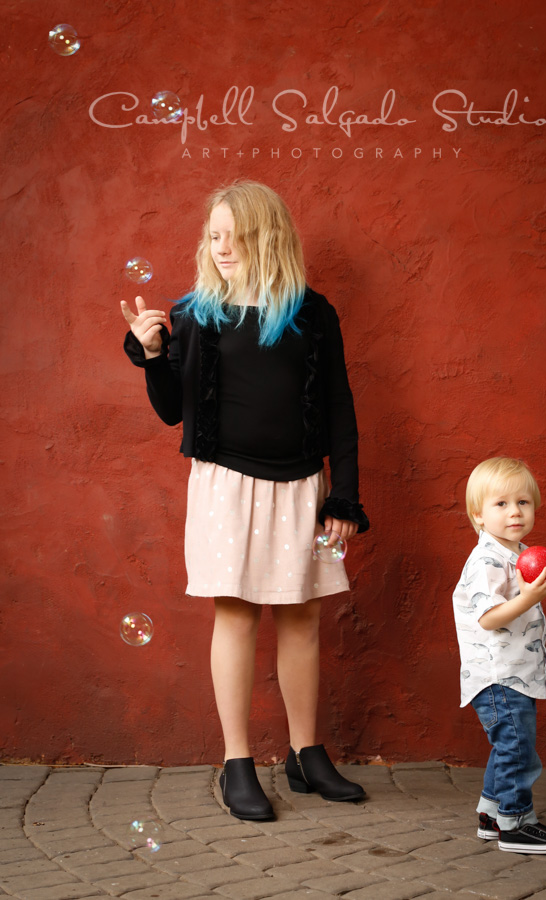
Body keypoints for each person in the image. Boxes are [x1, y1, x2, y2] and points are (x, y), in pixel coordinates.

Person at [121, 180, 369, 821]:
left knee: (303, 618)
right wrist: (153, 354)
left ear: (270, 238)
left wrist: (343, 495)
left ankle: (306, 754)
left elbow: (340, 408)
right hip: (225, 486)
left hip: (300, 488)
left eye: (237, 235)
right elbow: (171, 410)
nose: (223, 247)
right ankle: (237, 762)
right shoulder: (199, 312)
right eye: (214, 235)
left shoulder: (313, 313)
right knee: (235, 616)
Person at [452, 457, 546, 854]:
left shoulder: (517, 553)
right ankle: (516, 824)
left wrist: (545, 638)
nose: (515, 511)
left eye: (523, 502)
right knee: (518, 749)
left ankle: (491, 814)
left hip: (514, 670)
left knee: (508, 745)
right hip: (497, 677)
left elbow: (517, 617)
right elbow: (490, 619)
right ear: (478, 515)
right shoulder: (486, 561)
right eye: (500, 504)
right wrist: (530, 596)